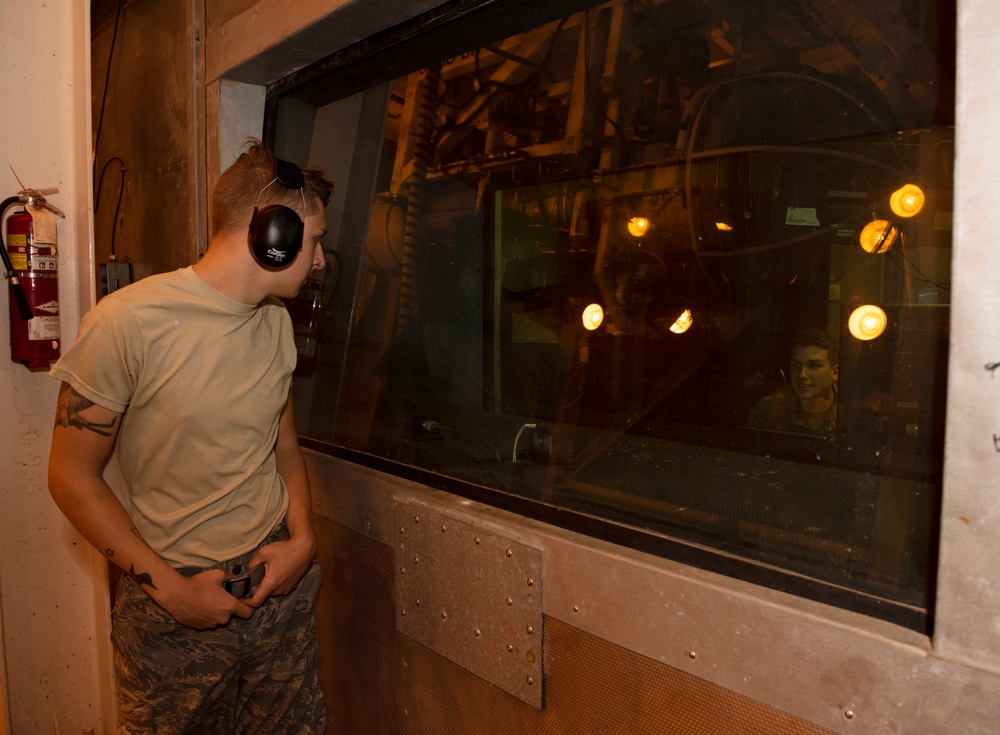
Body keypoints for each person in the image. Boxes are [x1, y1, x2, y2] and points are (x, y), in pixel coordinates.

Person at [47, 140, 333, 734]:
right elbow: (70, 477)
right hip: (174, 615)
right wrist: (171, 592)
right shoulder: (127, 324)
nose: (322, 260)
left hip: (278, 596)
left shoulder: (276, 325)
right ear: (272, 234)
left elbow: (283, 448)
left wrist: (303, 539)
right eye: (315, 239)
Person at [747, 328, 839, 435]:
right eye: (796, 365)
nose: (802, 374)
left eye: (814, 365)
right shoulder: (768, 411)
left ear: (834, 373)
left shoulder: (850, 415)